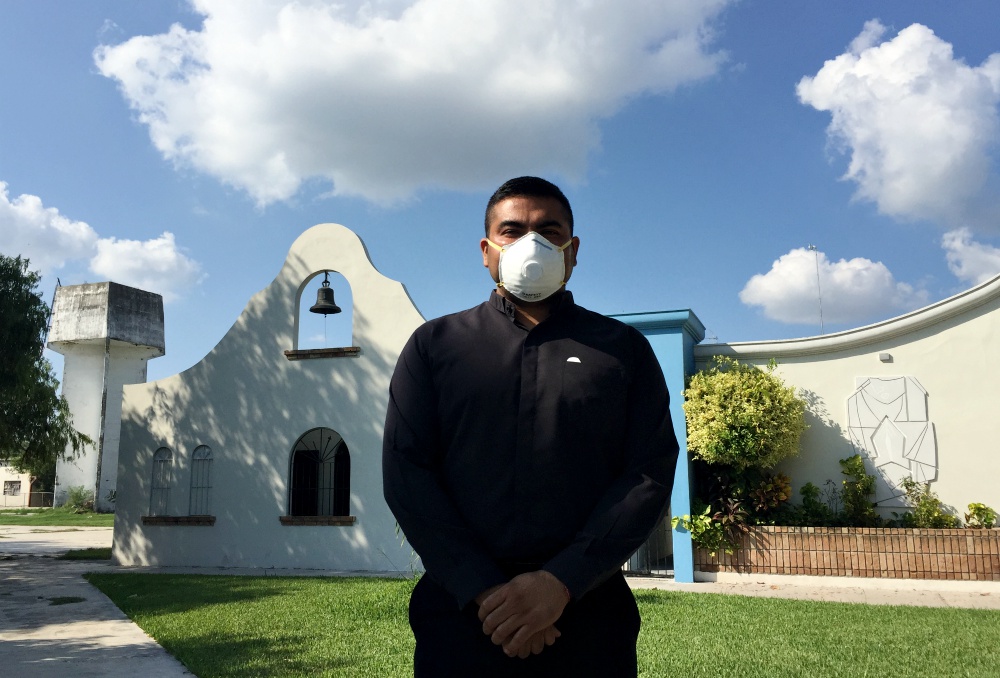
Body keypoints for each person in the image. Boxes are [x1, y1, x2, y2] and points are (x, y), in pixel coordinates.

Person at [382, 176, 678, 676]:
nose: (530, 244)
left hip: (588, 617)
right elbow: (407, 472)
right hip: (460, 616)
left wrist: (560, 582)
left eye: (549, 230)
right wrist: (484, 590)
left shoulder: (622, 350)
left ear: (572, 249)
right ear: (486, 250)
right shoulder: (435, 346)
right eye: (512, 231)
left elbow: (648, 473)